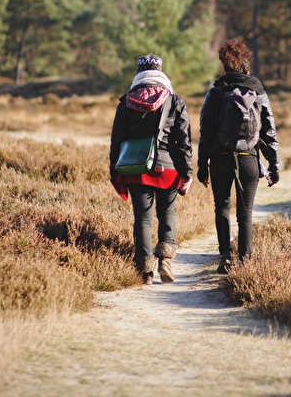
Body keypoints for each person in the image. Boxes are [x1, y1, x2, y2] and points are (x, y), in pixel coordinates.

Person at [197, 39, 279, 274]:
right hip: (249, 158)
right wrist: (274, 165)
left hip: (220, 158)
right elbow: (269, 131)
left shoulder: (215, 93)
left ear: (224, 64)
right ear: (245, 63)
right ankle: (245, 261)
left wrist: (202, 166)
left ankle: (225, 257)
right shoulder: (258, 91)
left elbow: (206, 132)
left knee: (221, 207)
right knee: (246, 212)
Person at [109, 54, 193, 285]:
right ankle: (165, 260)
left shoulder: (126, 101)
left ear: (139, 73)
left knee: (143, 220)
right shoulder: (175, 101)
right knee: (167, 214)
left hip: (137, 169)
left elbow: (117, 140)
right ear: (160, 71)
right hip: (169, 168)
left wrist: (114, 172)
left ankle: (145, 270)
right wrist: (188, 172)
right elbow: (184, 141)